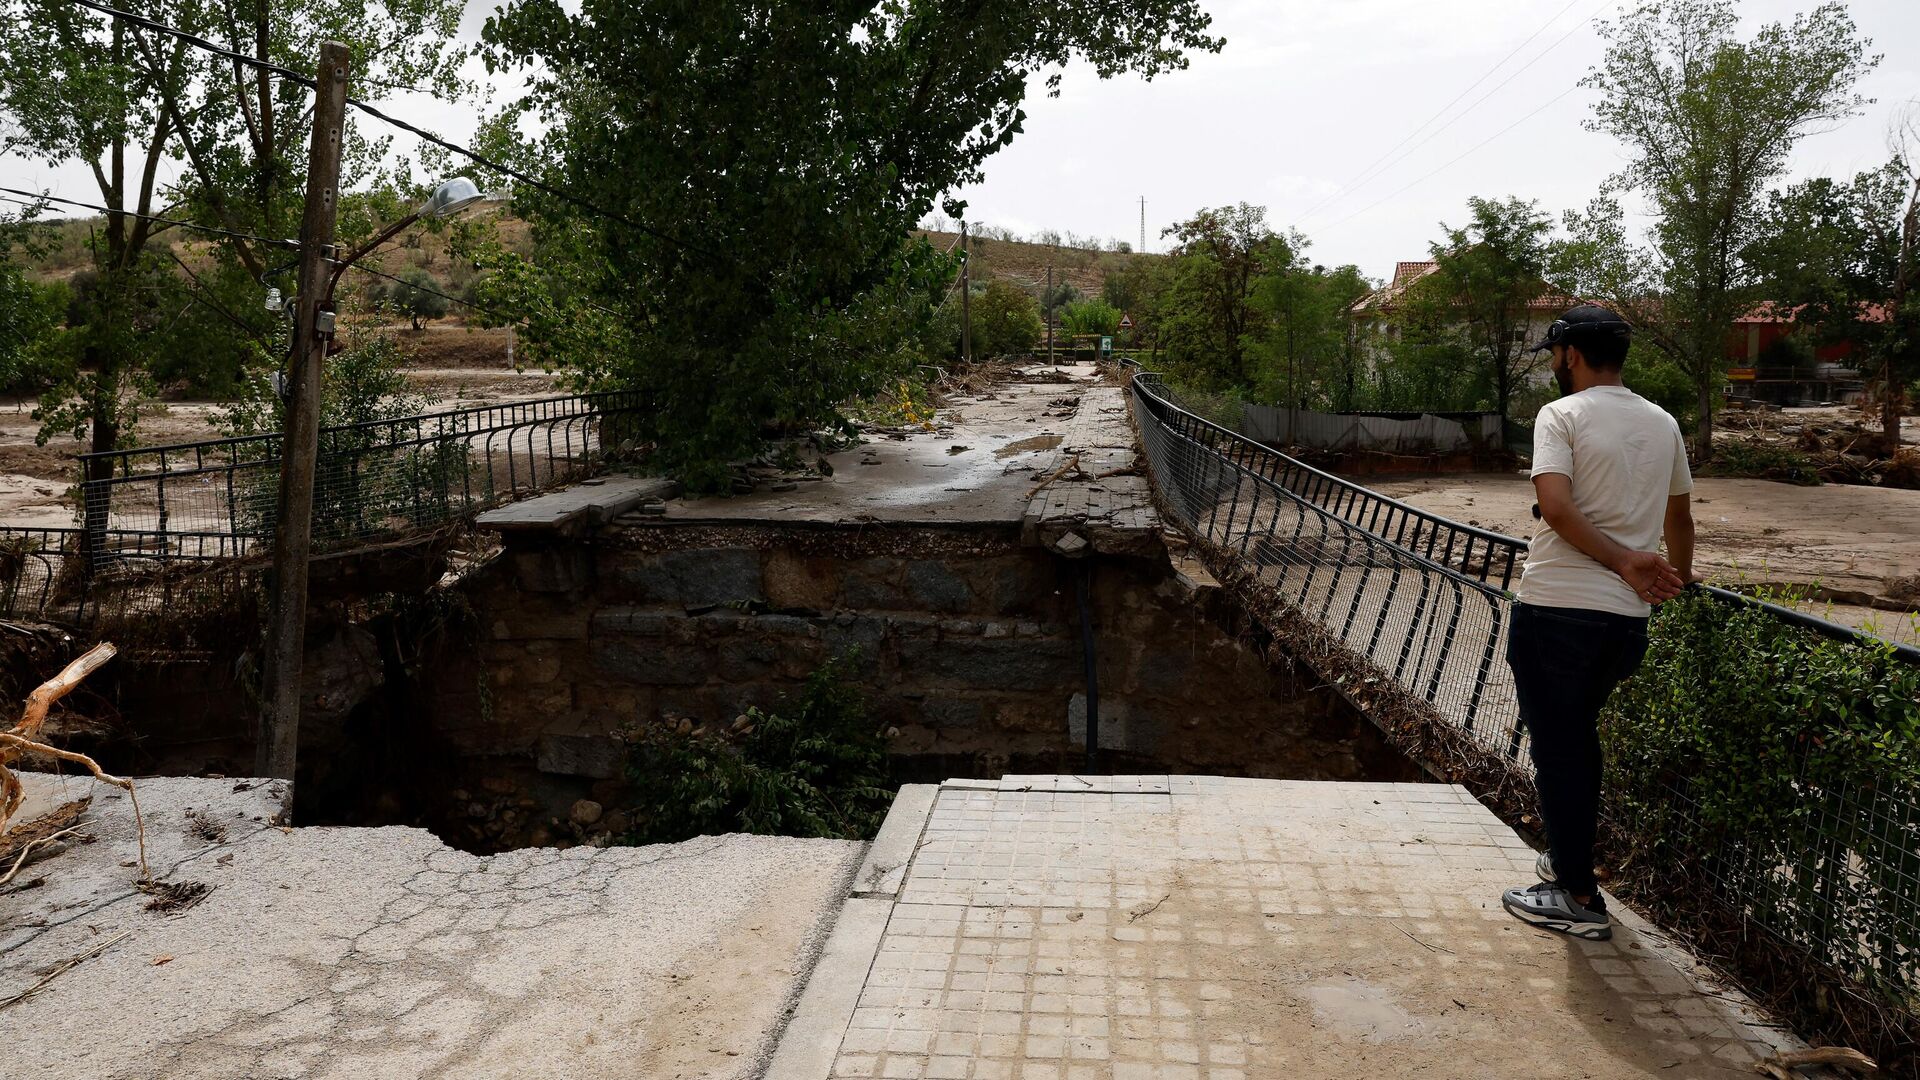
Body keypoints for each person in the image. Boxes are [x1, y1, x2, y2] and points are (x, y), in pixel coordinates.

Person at [1500, 304, 1697, 942]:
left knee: (1557, 748)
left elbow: (1553, 507)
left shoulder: (1561, 415)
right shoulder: (1662, 422)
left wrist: (1622, 561)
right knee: (1579, 741)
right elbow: (1680, 521)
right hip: (1623, 623)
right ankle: (1567, 858)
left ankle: (1578, 897)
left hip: (1557, 608)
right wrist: (1668, 582)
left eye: (1555, 354)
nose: (1555, 366)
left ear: (1571, 355)